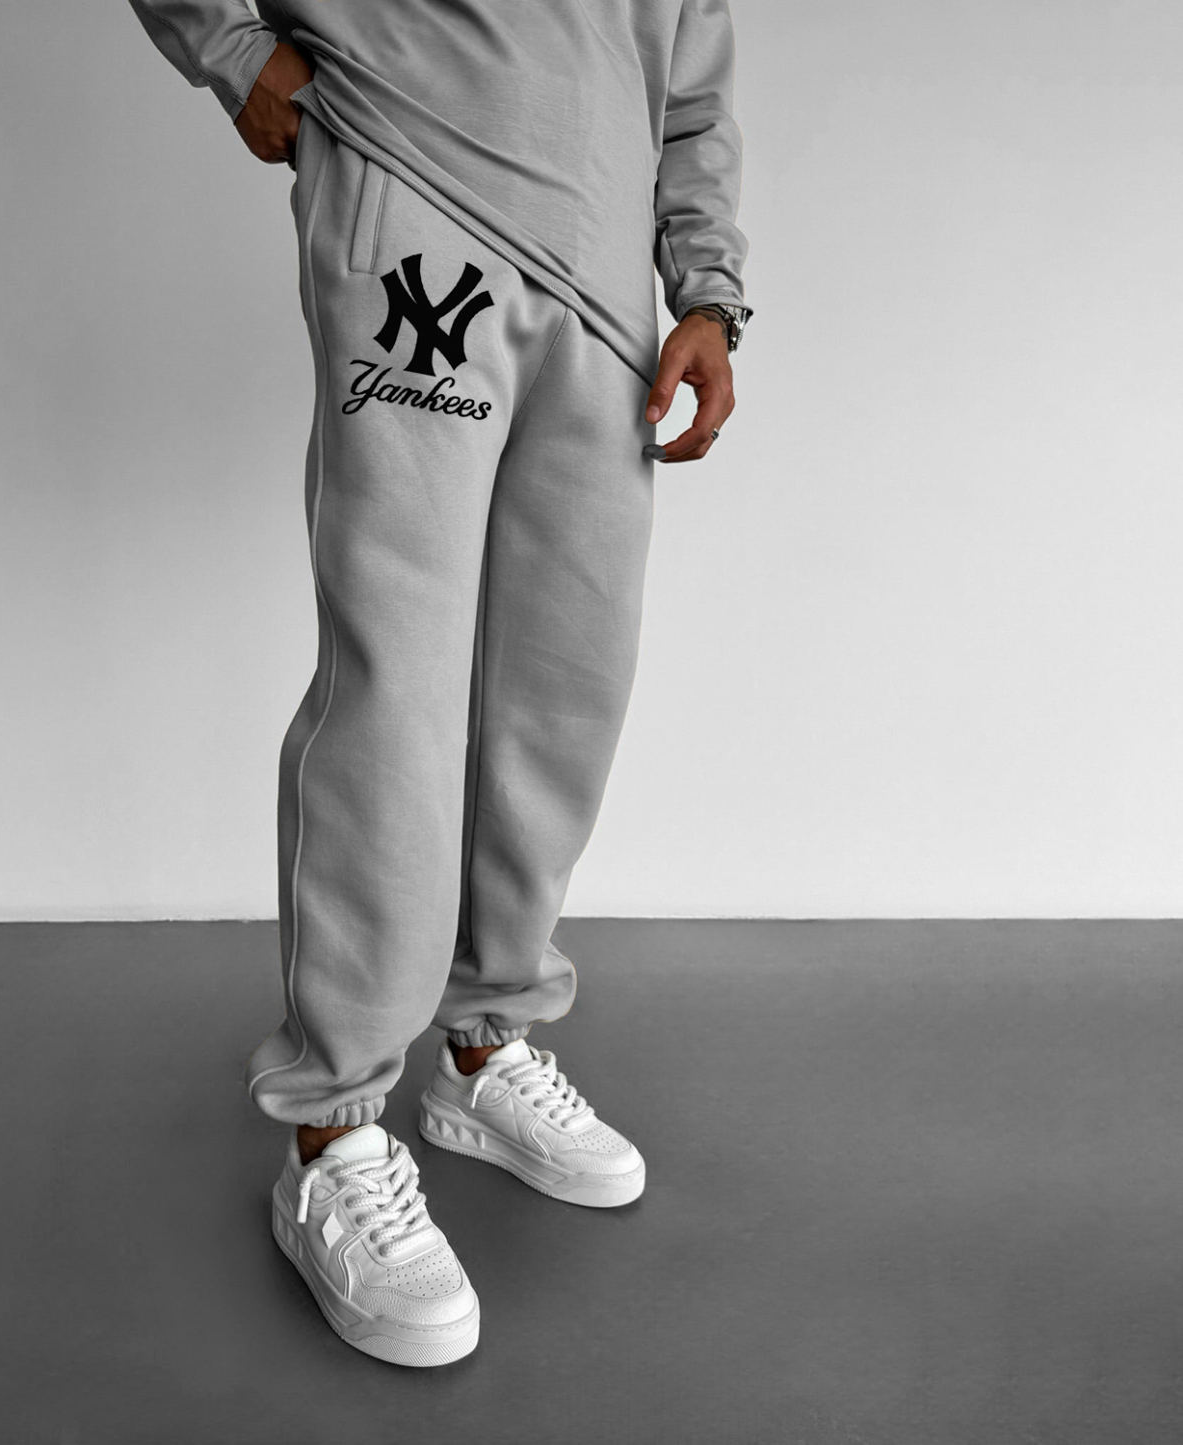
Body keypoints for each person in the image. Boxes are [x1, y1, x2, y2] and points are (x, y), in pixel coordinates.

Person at [128, 0, 752, 1367]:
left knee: (564, 690)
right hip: (417, 199)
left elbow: (690, 82)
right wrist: (230, 47)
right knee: (398, 686)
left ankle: (484, 1042)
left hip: (608, 294)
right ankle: (333, 1130)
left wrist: (706, 288)